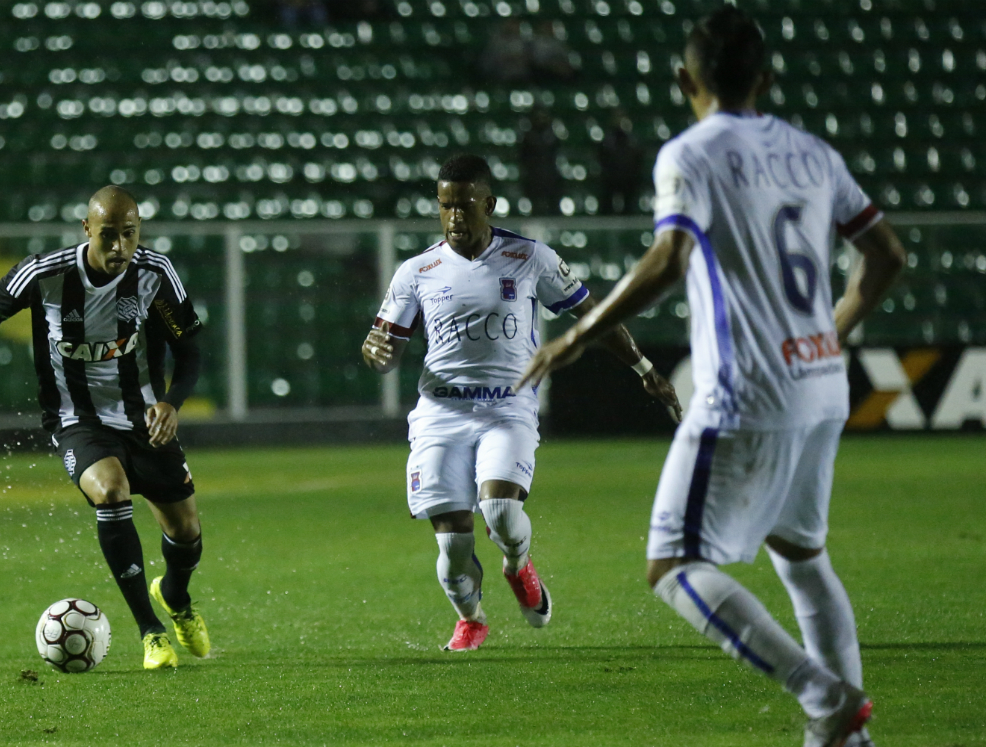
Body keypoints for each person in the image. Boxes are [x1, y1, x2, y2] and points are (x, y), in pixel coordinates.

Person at [519, 8, 904, 746]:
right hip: (822, 381)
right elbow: (886, 254)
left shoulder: (690, 154)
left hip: (747, 389)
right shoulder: (815, 153)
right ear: (767, 80)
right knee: (803, 557)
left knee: (671, 564)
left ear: (683, 80)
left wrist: (576, 337)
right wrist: (830, 331)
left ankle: (824, 696)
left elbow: (669, 259)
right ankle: (848, 738)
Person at [362, 154, 681, 652]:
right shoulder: (416, 271)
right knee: (453, 543)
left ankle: (517, 565)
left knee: (501, 512)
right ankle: (471, 619)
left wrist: (644, 369)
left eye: (465, 205)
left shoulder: (530, 258)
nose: (454, 217)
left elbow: (593, 317)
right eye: (445, 206)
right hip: (441, 413)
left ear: (488, 204)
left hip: (506, 408)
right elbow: (384, 352)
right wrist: (375, 353)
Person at [0, 186, 211, 670]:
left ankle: (175, 597)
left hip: (144, 418)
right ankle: (151, 632)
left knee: (186, 533)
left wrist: (171, 403)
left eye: (129, 234)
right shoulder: (45, 274)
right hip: (76, 419)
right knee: (111, 491)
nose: (119, 246)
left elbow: (190, 350)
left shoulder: (155, 274)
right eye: (108, 235)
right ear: (87, 229)